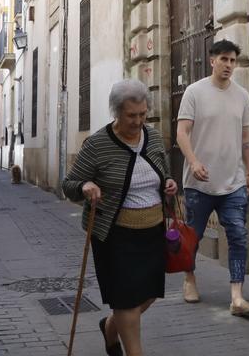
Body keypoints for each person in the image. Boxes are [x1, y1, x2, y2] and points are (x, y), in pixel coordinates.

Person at [63, 79, 177, 356]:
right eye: (131, 115)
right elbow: (70, 184)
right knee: (125, 300)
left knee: (149, 293)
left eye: (142, 114)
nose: (138, 121)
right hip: (114, 234)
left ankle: (110, 326)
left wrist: (169, 182)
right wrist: (85, 186)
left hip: (152, 229)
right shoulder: (98, 144)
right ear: (116, 112)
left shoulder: (152, 137)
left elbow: (163, 170)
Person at [177, 39, 249, 316]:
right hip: (199, 183)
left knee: (238, 235)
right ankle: (189, 279)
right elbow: (182, 133)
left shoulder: (242, 95)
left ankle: (237, 297)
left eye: (232, 60)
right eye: (223, 59)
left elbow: (245, 138)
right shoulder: (194, 92)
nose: (228, 65)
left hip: (233, 181)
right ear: (212, 60)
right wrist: (193, 161)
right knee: (194, 237)